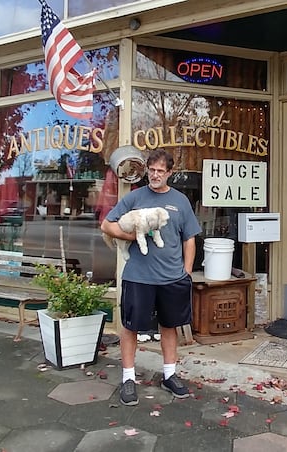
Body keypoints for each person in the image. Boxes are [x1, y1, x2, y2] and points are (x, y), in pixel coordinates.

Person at [101, 149, 201, 406]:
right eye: (152, 170)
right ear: (147, 170)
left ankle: (169, 375)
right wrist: (133, 236)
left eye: (160, 171)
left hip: (172, 277)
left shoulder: (180, 202)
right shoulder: (135, 197)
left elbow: (189, 238)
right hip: (138, 277)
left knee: (169, 325)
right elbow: (107, 225)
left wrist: (186, 272)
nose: (155, 175)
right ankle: (128, 379)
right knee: (131, 326)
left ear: (170, 173)